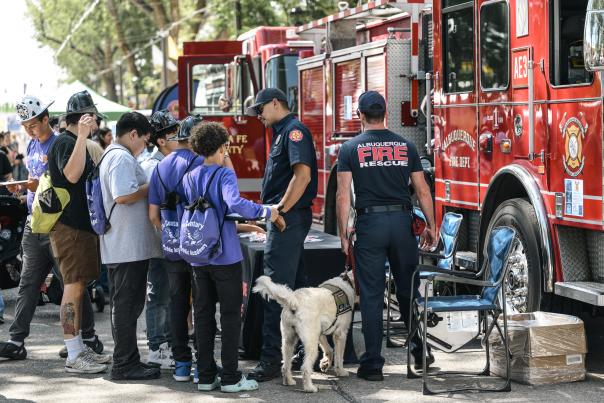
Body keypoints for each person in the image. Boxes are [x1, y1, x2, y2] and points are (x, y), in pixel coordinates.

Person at [336, 91, 436, 381]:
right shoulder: (406, 146)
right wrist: (432, 225)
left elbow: (343, 195)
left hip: (370, 225)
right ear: (385, 115)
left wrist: (344, 234)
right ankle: (419, 352)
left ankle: (373, 365)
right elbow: (422, 189)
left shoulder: (350, 148)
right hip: (403, 224)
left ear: (360, 116)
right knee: (408, 290)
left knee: (370, 294)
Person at [0, 95, 106, 363]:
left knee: (72, 283)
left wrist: (37, 186)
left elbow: (62, 180)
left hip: (60, 224)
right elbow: (49, 182)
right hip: (36, 222)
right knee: (30, 282)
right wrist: (23, 190)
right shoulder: (34, 145)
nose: (28, 130)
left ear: (46, 118)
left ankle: (86, 338)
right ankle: (17, 339)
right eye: (25, 126)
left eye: (33, 125)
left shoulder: (61, 143)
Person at [185, 122, 281, 392]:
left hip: (198, 254)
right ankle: (230, 377)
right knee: (229, 316)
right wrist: (266, 211)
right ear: (221, 146)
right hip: (224, 254)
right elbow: (234, 203)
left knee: (202, 314)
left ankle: (205, 375)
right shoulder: (224, 175)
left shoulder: (191, 176)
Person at [245, 88, 318, 382]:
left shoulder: (294, 131)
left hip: (287, 218)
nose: (259, 115)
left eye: (261, 109)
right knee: (298, 290)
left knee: (273, 290)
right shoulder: (282, 131)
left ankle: (271, 359)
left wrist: (280, 210)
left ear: (276, 103)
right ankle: (300, 352)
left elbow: (303, 176)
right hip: (288, 218)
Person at [47, 90, 111, 374]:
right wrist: (83, 137)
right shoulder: (65, 141)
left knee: (79, 286)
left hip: (81, 228)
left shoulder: (75, 142)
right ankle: (73, 354)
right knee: (72, 288)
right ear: (83, 117)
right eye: (93, 116)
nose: (97, 121)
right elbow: (71, 175)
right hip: (69, 228)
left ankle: (79, 347)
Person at [98, 112, 163, 380]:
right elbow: (122, 195)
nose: (145, 147)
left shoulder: (113, 154)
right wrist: (151, 187)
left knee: (125, 304)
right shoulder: (121, 157)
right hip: (126, 246)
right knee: (126, 306)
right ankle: (125, 364)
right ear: (133, 134)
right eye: (146, 141)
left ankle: (127, 359)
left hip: (123, 245)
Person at [148, 115, 205, 382]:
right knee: (202, 306)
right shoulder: (202, 164)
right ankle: (202, 366)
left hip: (172, 247)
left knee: (177, 304)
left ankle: (181, 364)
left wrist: (171, 232)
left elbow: (153, 215)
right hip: (200, 248)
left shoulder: (161, 166)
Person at [140, 110, 180, 369]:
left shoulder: (167, 162)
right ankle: (156, 347)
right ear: (161, 140)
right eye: (174, 135)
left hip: (168, 241)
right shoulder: (153, 166)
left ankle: (163, 343)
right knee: (158, 295)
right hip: (159, 242)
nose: (179, 139)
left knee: (166, 294)